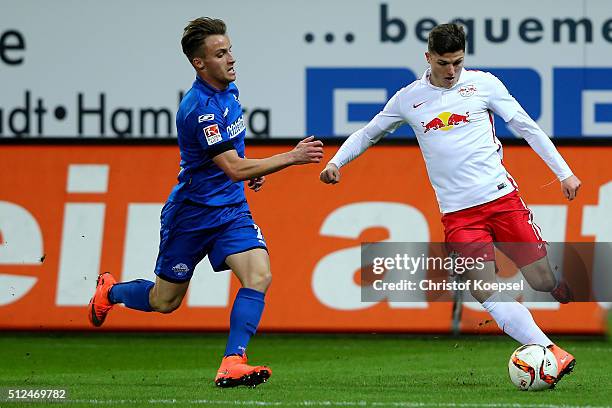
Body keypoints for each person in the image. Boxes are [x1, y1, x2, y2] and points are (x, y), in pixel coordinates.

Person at [319, 23, 580, 385]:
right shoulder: (409, 99)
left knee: (540, 278)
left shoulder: (484, 84)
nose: (451, 70)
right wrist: (336, 162)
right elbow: (369, 133)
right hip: (459, 216)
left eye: (458, 62)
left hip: (502, 200)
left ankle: (553, 281)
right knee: (484, 289)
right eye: (444, 62)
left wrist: (564, 173)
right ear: (428, 58)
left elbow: (526, 126)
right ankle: (550, 350)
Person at [88, 17, 323, 388]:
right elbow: (231, 167)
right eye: (221, 53)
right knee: (164, 301)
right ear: (200, 63)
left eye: (229, 49)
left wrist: (254, 169)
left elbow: (233, 157)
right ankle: (111, 292)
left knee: (259, 274)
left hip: (231, 212)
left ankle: (232, 361)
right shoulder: (198, 108)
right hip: (192, 215)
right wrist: (289, 158)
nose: (231, 58)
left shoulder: (229, 92)